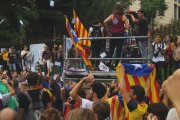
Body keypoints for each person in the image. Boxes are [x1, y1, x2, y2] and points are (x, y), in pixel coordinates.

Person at [104, 3, 129, 68]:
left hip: (113, 34)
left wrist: (107, 30)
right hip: (120, 35)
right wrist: (124, 27)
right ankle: (115, 65)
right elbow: (127, 27)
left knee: (111, 50)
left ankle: (108, 64)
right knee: (118, 51)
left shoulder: (112, 16)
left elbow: (105, 21)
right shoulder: (124, 17)